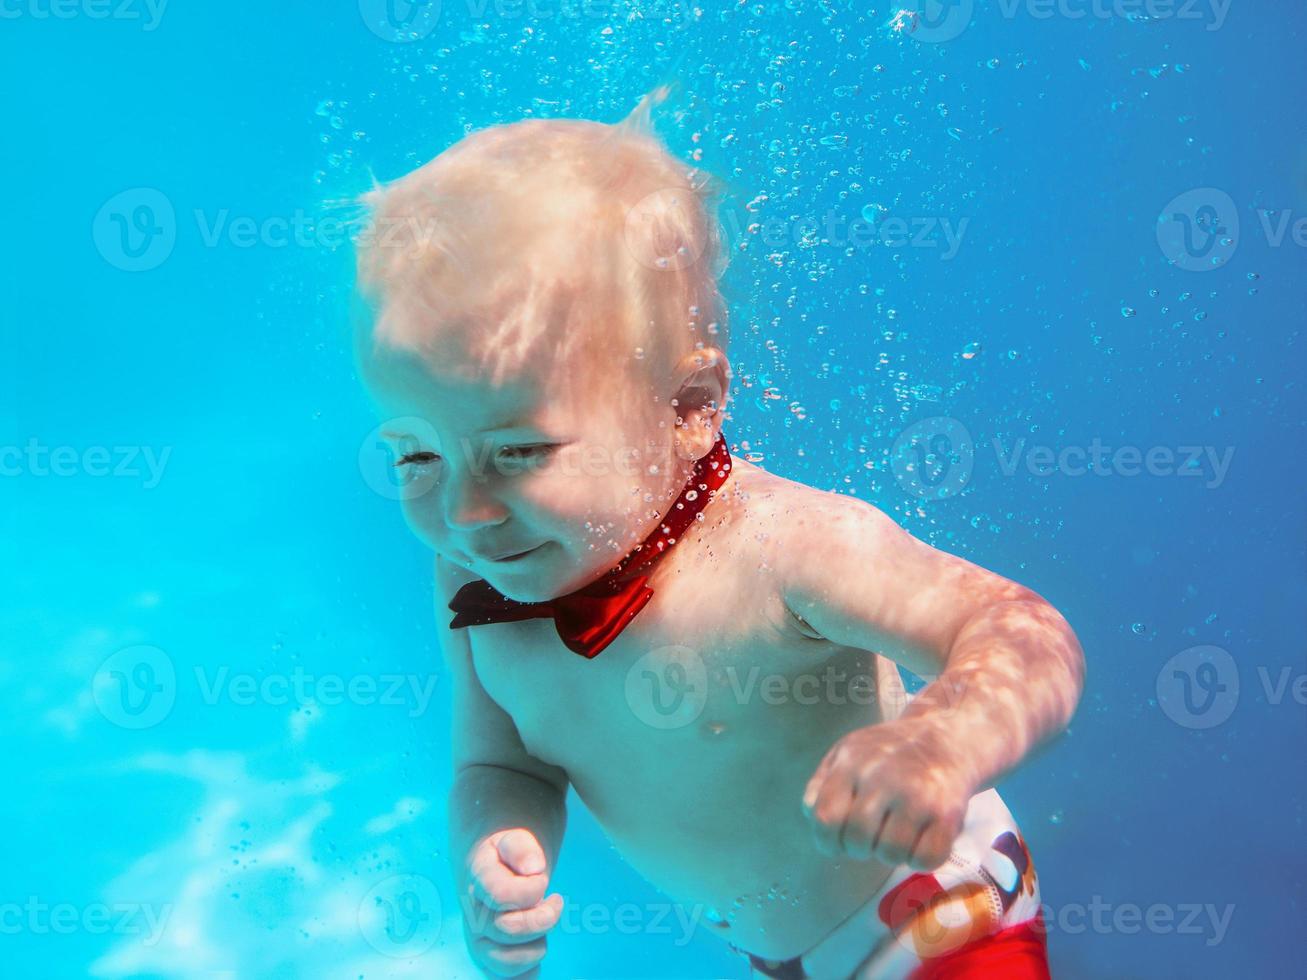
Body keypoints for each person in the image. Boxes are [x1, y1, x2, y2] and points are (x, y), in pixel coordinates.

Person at [351, 88, 1084, 979]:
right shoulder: (476, 575)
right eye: (415, 458)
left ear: (689, 408)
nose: (464, 512)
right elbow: (499, 762)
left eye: (521, 450)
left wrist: (942, 742)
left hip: (941, 911)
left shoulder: (781, 549)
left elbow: (1024, 632)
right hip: (781, 958)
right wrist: (496, 840)